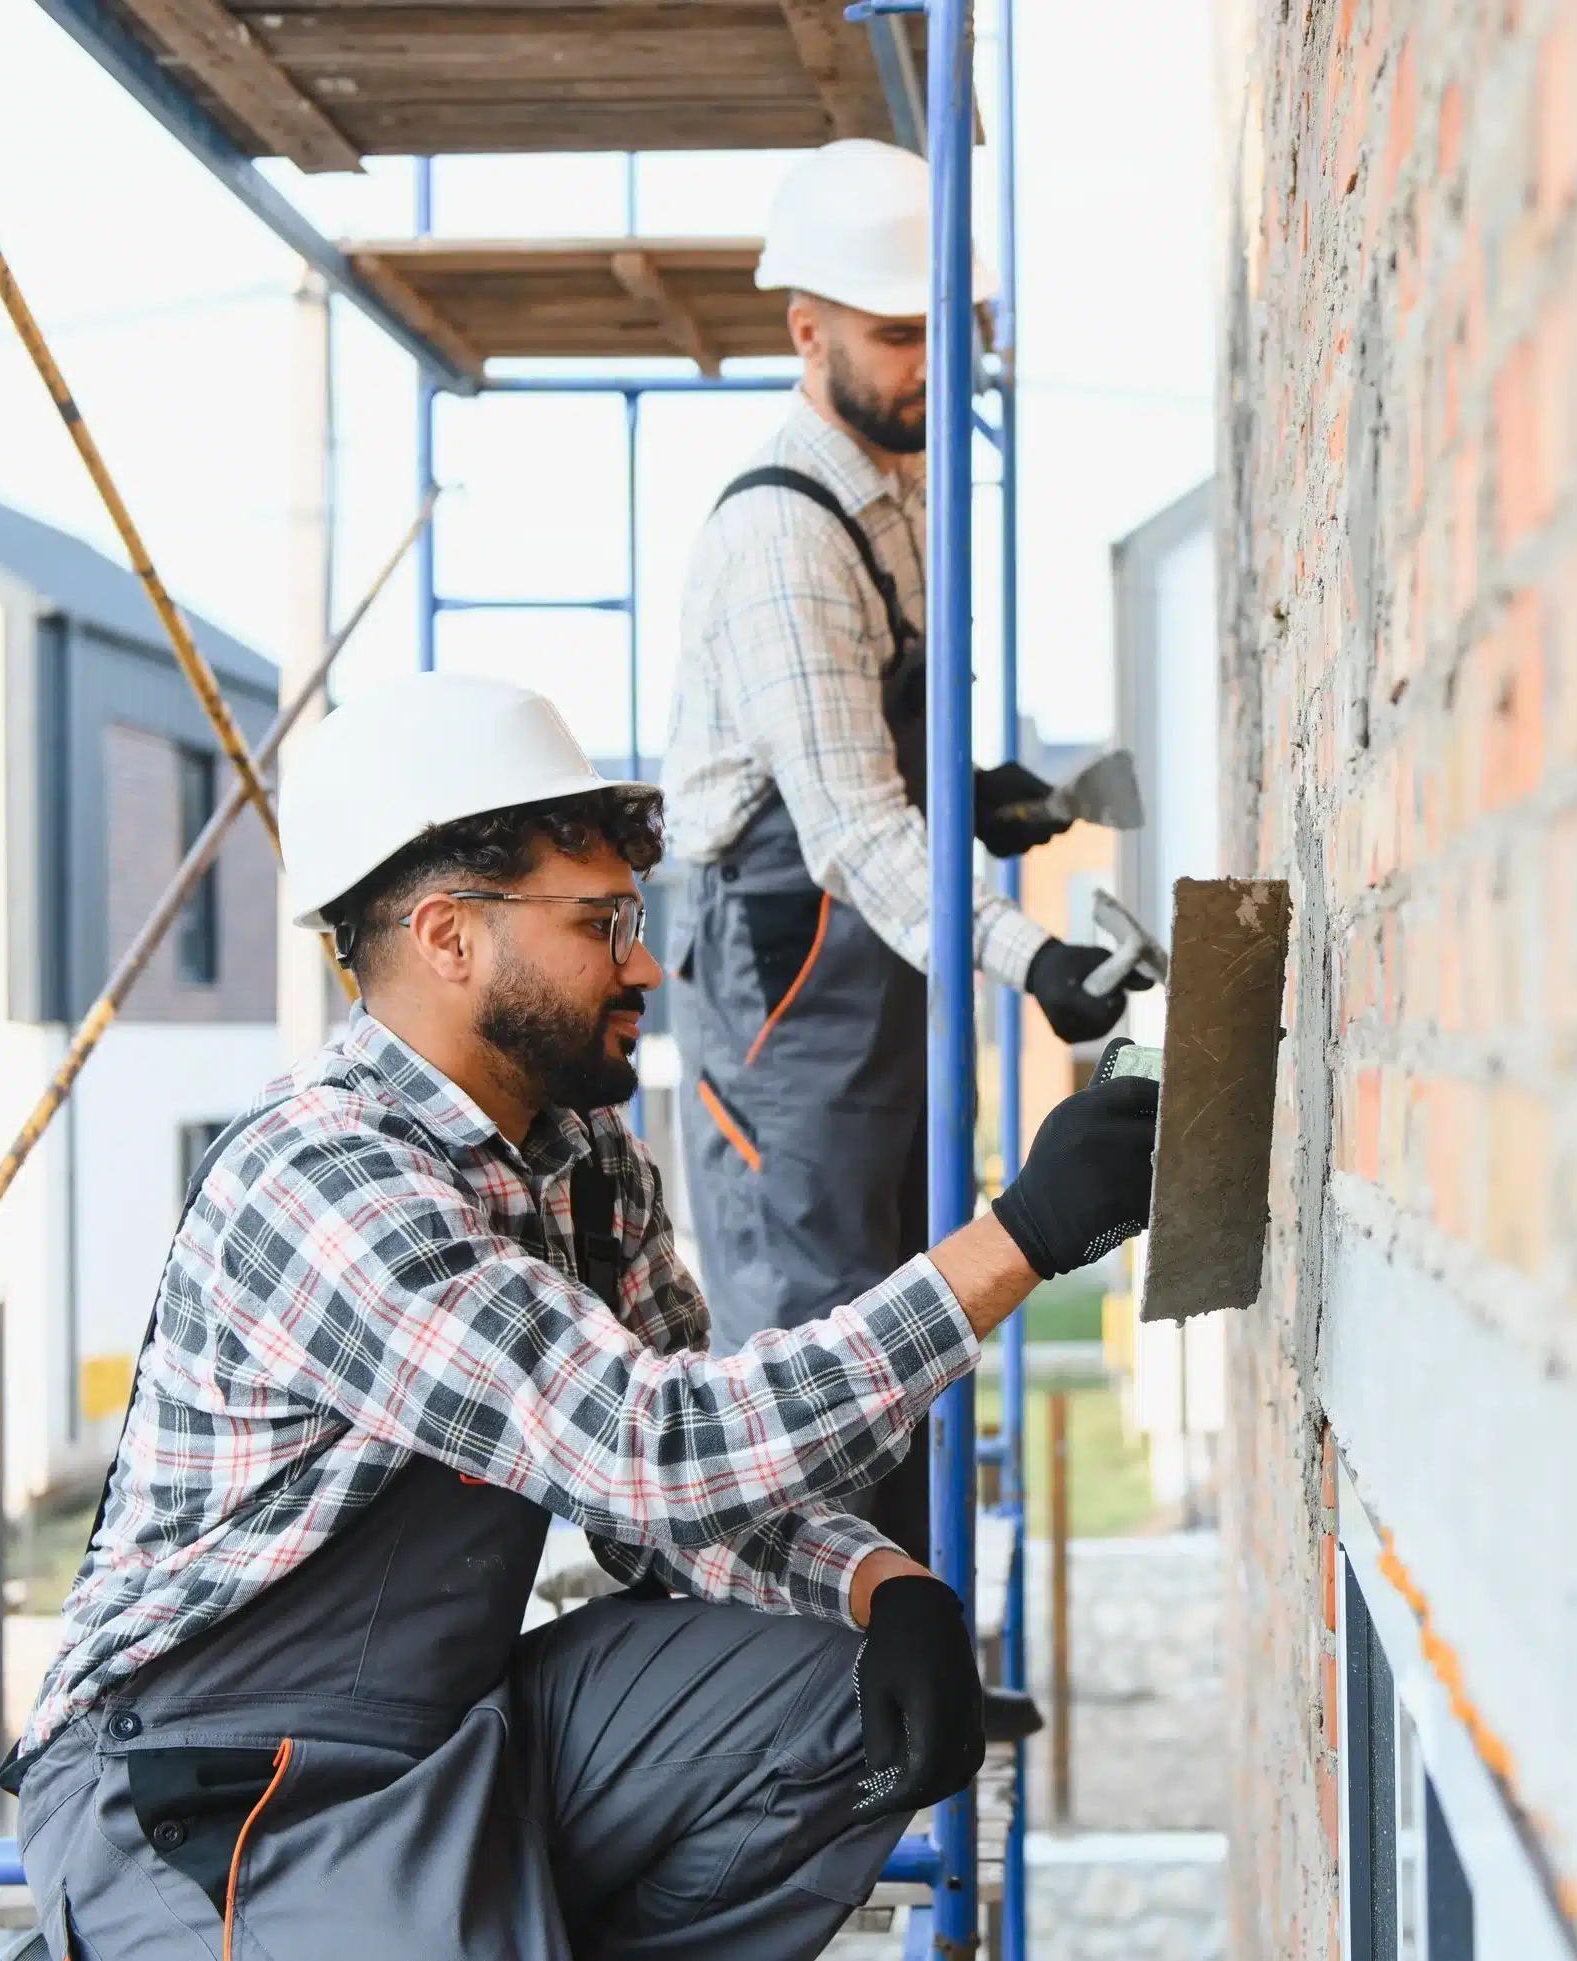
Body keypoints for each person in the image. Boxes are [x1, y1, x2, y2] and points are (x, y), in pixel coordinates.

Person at [0, 673, 1158, 1961]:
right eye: (602, 921)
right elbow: (652, 1449)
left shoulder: (584, 1160)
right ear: (450, 936)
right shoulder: (326, 1182)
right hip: (214, 1787)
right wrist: (1016, 1243)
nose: (646, 961)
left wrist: (884, 1589)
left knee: (837, 1703)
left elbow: (690, 1499)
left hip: (447, 1727)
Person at [663, 140, 1149, 1555]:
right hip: (788, 974)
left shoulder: (904, 485)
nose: (935, 358)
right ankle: (817, 1707)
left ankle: (904, 1662)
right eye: (898, 333)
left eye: (951, 325)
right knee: (819, 1319)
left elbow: (880, 765)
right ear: (806, 330)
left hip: (871, 964)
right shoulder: (780, 533)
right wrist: (1032, 954)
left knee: (908, 1298)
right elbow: (854, 834)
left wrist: (982, 793)